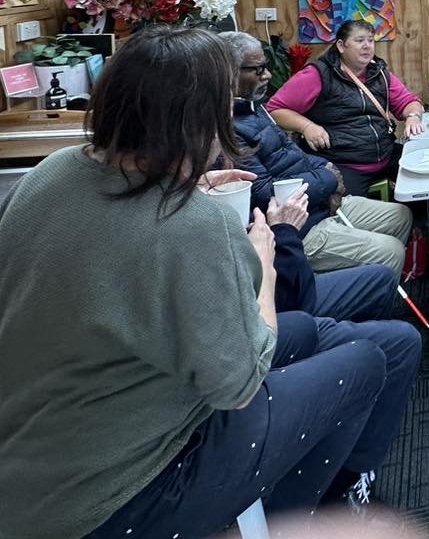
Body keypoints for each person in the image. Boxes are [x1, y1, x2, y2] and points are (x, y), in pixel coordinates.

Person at [0, 26, 390, 538]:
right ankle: (300, 522)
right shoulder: (189, 223)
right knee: (366, 361)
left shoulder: (48, 175)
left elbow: (116, 268)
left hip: (28, 464)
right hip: (115, 496)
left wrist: (190, 184)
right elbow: (239, 383)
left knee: (325, 332)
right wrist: (266, 264)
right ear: (200, 118)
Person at [265, 184, 421, 508]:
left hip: (289, 265)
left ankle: (368, 393)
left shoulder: (214, 179)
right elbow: (289, 304)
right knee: (401, 343)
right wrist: (321, 181)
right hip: (280, 305)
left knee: (380, 278)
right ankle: (347, 481)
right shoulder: (197, 214)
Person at [221, 31, 413, 275]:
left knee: (401, 215)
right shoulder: (225, 127)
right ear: (227, 72)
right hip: (298, 227)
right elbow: (264, 192)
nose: (267, 75)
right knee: (390, 250)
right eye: (258, 69)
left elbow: (293, 151)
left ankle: (376, 286)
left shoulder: (253, 108)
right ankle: (364, 297)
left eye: (370, 41)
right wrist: (328, 178)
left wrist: (325, 168)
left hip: (319, 198)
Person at [268, 19, 425, 197]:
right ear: (341, 46)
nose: (367, 46)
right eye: (360, 41)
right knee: (351, 213)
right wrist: (307, 127)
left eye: (371, 40)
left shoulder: (379, 73)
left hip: (386, 154)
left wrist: (412, 115)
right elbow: (275, 109)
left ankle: (420, 222)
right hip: (345, 164)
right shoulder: (317, 75)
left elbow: (408, 100)